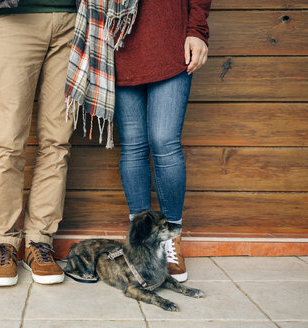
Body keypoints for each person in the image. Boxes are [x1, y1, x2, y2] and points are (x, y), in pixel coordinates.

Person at [0, 0, 77, 286]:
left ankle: (39, 241)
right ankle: (4, 243)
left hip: (76, 20)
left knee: (58, 140)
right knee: (9, 140)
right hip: (13, 20)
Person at [114, 0, 212, 282]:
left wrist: (197, 30)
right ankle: (140, 242)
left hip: (171, 42)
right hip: (119, 44)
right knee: (133, 146)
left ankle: (171, 239)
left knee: (165, 142)